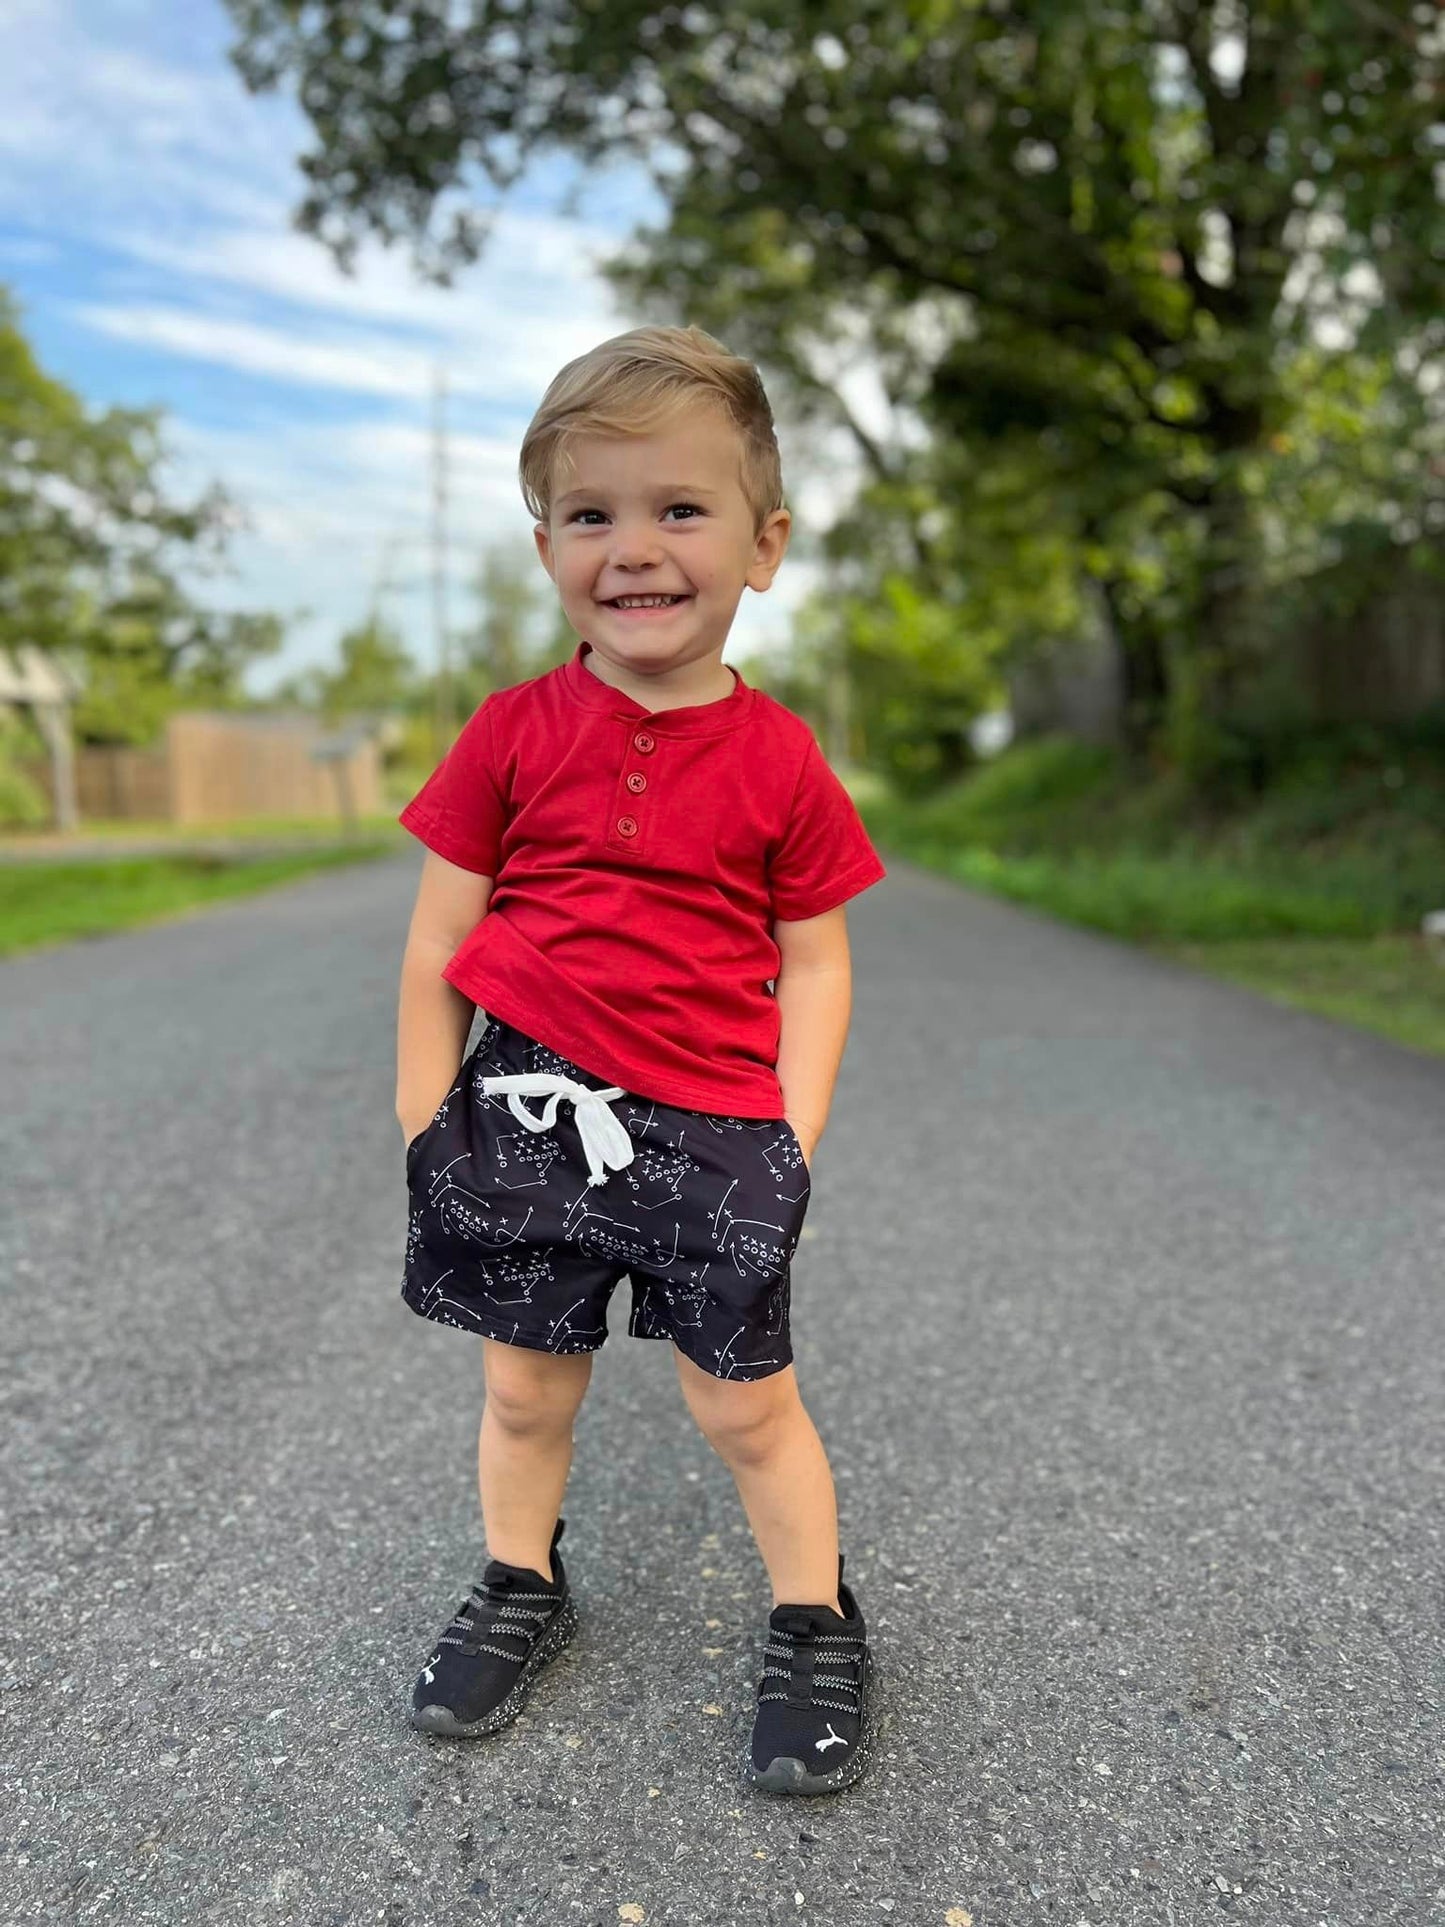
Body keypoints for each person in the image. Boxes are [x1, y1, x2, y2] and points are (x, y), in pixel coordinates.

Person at [394, 324, 887, 1795]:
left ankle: (814, 1616)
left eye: (680, 511)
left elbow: (816, 960)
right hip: (523, 1113)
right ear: (545, 541)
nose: (635, 548)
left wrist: (788, 1136)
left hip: (714, 1129)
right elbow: (432, 952)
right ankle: (519, 1581)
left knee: (742, 1401)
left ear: (763, 545)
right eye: (592, 515)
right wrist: (431, 1124)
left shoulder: (782, 760)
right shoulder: (509, 735)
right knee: (525, 1388)